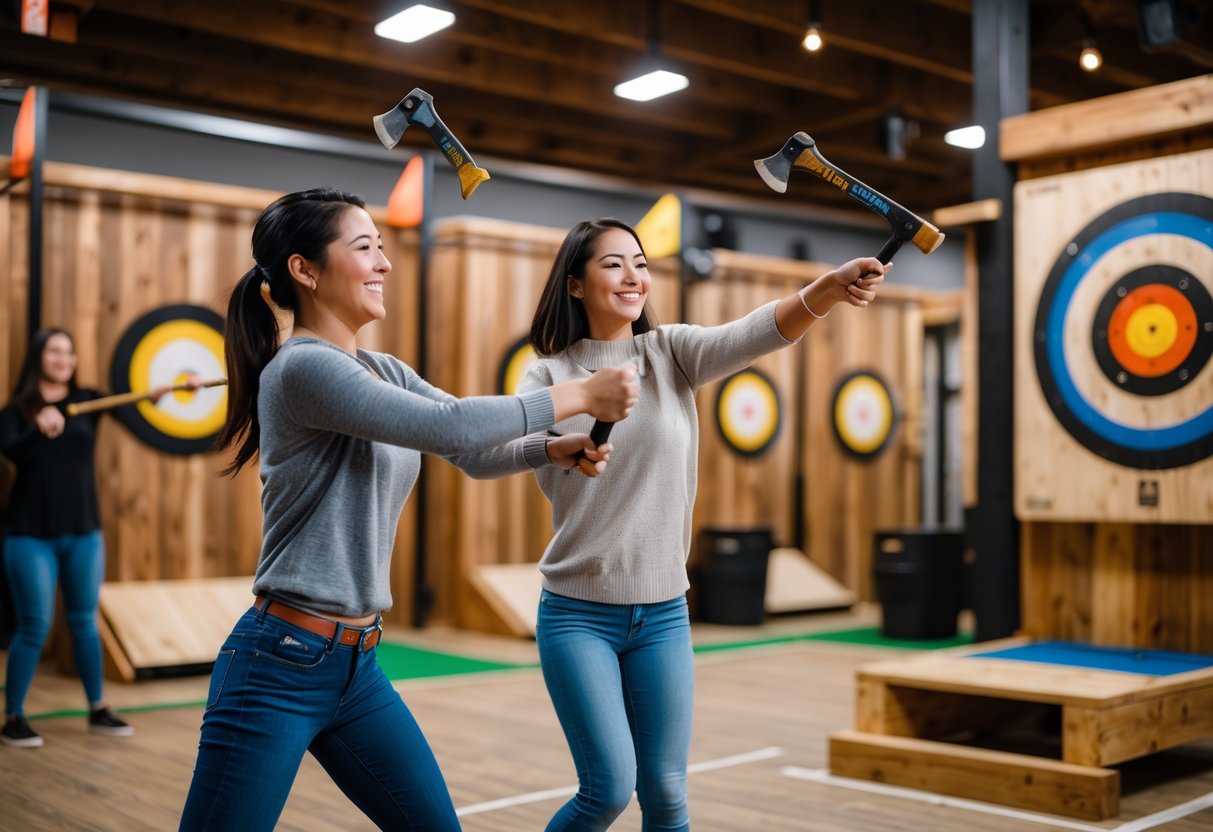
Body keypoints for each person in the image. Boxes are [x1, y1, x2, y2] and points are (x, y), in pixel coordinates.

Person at [179, 188, 638, 831]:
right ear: (304, 271)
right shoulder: (302, 370)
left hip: (356, 666)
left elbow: (473, 452)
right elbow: (451, 427)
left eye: (382, 247)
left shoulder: (382, 370)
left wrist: (547, 449)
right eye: (363, 247)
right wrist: (580, 393)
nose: (384, 263)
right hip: (279, 663)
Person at [455, 218, 887, 830]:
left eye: (640, 262)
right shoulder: (548, 375)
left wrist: (831, 287)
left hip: (663, 613)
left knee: (667, 793)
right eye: (613, 264)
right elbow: (480, 458)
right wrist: (548, 448)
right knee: (607, 790)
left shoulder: (670, 354)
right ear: (575, 285)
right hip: (579, 615)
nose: (634, 276)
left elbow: (759, 331)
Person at [0, 328, 156, 748]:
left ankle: (98, 708)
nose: (62, 358)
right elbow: (11, 451)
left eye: (68, 351)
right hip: (29, 537)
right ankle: (13, 715)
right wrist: (39, 428)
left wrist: (168, 391)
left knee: (84, 622)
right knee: (34, 626)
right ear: (39, 358)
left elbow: (136, 411)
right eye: (54, 351)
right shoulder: (16, 411)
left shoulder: (87, 400)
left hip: (84, 534)